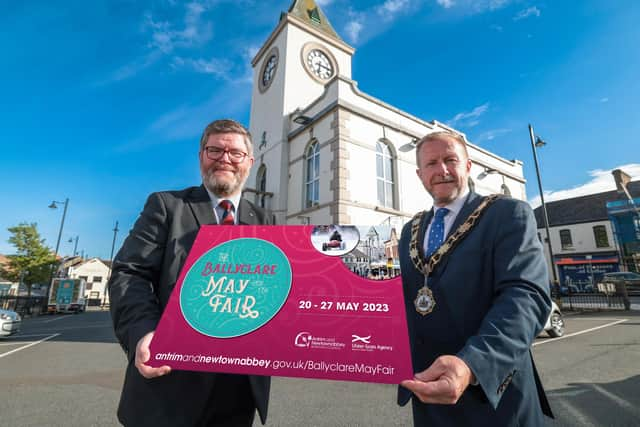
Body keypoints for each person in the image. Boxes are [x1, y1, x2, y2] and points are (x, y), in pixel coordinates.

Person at [108, 119, 274, 427]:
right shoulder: (166, 205)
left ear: (249, 163)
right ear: (201, 156)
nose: (225, 158)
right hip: (169, 386)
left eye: (235, 153)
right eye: (215, 150)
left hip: (238, 391)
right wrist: (143, 332)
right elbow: (129, 273)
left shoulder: (264, 219)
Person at [397, 131, 553, 426]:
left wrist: (472, 364)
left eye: (450, 160)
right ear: (420, 175)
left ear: (467, 167)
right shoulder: (410, 229)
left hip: (495, 395)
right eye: (431, 164)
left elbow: (526, 295)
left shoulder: (507, 213)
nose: (441, 170)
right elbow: (402, 301)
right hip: (427, 394)